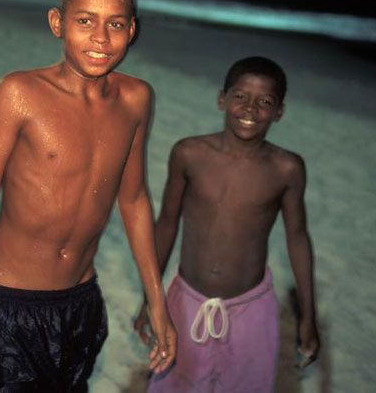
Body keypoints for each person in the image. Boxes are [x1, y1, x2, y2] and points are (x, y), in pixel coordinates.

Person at [0, 0, 177, 393]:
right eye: (85, 21)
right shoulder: (19, 93)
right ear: (58, 23)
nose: (100, 37)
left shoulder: (136, 99)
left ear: (132, 30)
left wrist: (157, 300)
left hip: (81, 300)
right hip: (10, 303)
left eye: (115, 24)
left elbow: (134, 201)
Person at [135, 56, 319, 392]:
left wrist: (309, 315)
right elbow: (166, 225)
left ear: (279, 111)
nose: (250, 109)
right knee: (174, 383)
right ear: (222, 99)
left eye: (264, 102)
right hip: (185, 302)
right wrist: (151, 300)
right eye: (240, 97)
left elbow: (297, 238)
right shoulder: (189, 154)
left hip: (251, 309)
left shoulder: (286, 169)